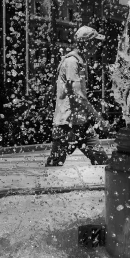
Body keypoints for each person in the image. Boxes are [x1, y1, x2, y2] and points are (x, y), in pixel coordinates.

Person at [45, 25, 109, 167]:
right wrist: (99, 118)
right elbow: (78, 95)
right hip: (66, 125)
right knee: (54, 166)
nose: (97, 46)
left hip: (82, 124)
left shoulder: (80, 61)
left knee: (102, 161)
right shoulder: (71, 62)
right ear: (86, 43)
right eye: (95, 42)